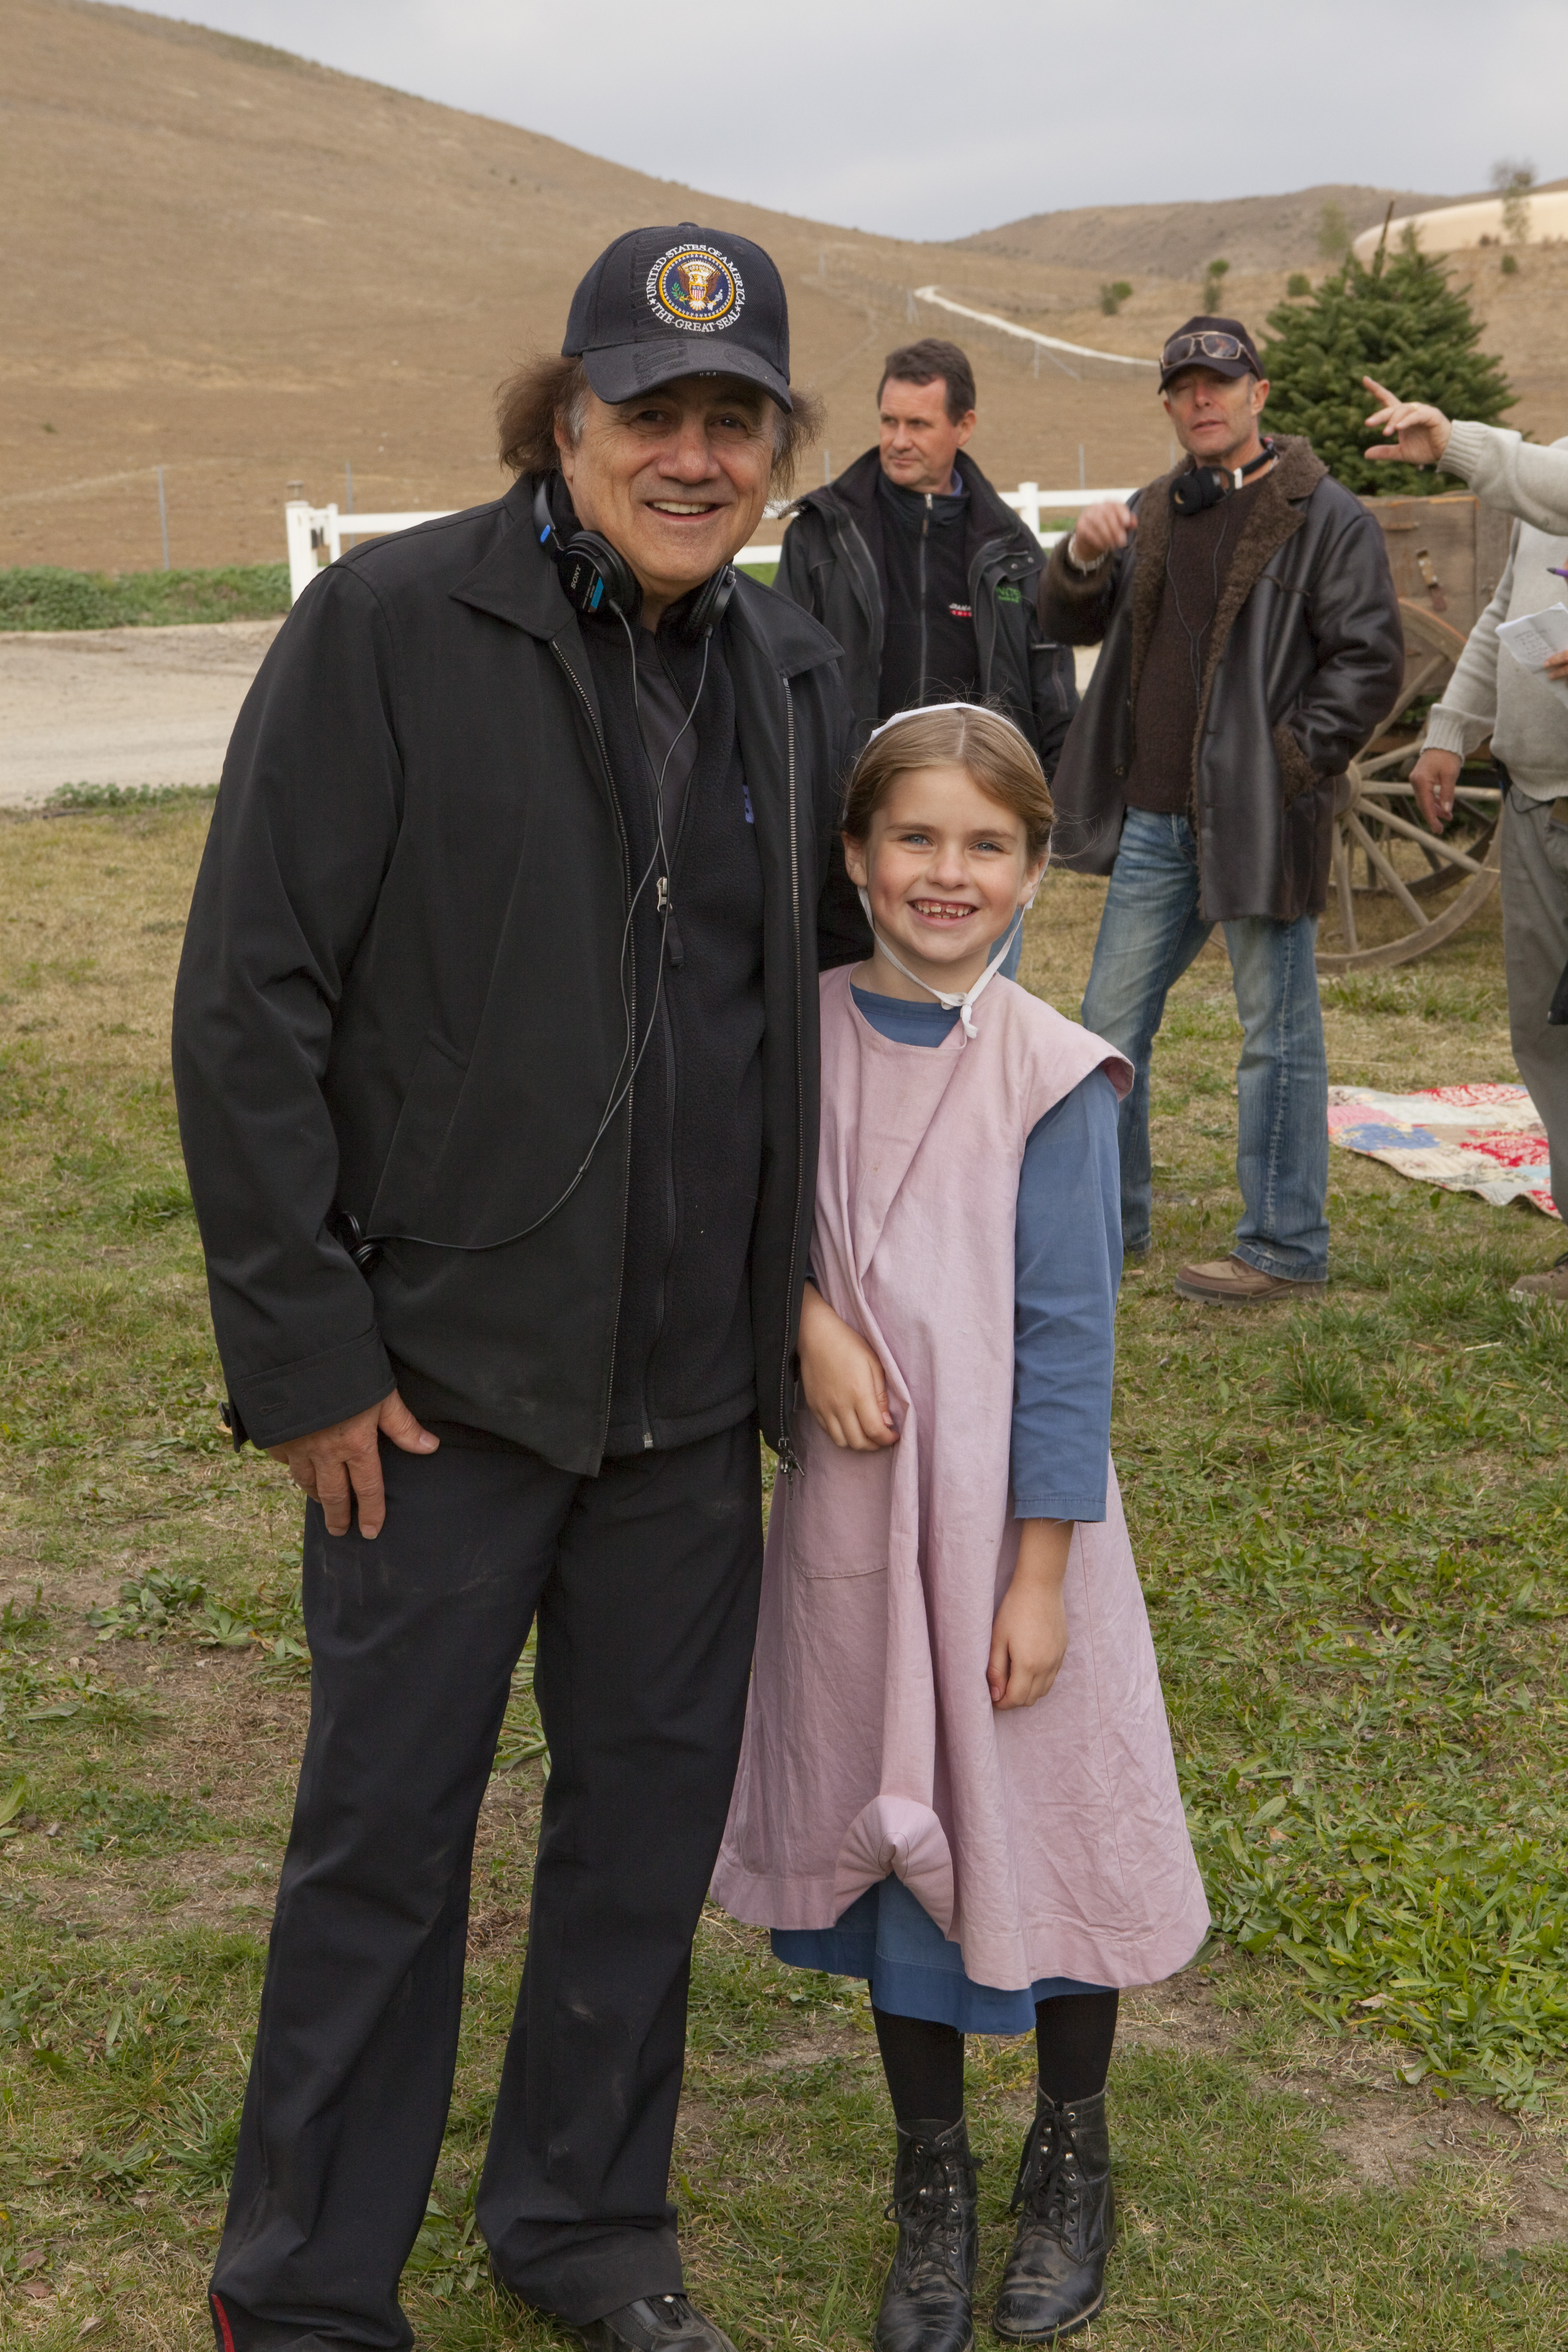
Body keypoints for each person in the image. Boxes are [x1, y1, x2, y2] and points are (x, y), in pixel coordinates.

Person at [173, 222, 868, 2352]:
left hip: (678, 1404)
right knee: (382, 1845)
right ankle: (302, 2288)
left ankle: (579, 2220)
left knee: (634, 1842)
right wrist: (304, 1350)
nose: (685, 453)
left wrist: (808, 1301)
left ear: (772, 449)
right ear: (561, 418)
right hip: (435, 1393)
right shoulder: (388, 626)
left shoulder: (782, 667)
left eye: (725, 418)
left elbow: (804, 1010)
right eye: (642, 412)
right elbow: (248, 1004)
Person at [712, 705, 1209, 2352]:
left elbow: (1070, 1343)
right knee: (884, 1825)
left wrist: (1046, 1571)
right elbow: (740, 1221)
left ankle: (1071, 2153)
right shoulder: (800, 1034)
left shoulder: (1057, 1078)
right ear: (854, 857)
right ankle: (932, 2181)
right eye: (913, 839)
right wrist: (807, 1320)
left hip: (1011, 1543)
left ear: (1033, 870)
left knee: (1044, 1825)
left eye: (983, 845)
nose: (946, 873)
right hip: (861, 1530)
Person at [1040, 315, 1404, 1303]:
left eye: (1217, 381)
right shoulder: (1151, 510)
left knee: (1272, 1033)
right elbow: (1063, 617)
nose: (1200, 398)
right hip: (1154, 817)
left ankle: (1282, 1248)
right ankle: (1104, 1226)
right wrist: (1077, 556)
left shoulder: (1324, 517)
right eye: (1181, 386)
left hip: (1254, 811)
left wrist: (1288, 762)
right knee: (1103, 1029)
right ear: (1166, 404)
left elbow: (1369, 661)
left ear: (1258, 393)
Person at [1398, 432, 1568, 1297]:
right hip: (1538, 800)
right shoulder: (1550, 483)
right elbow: (1503, 616)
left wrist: (1449, 440)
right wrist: (1448, 729)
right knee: (1544, 1026)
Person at [774, 337, 1077, 769]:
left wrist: (1049, 815)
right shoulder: (821, 536)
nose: (898, 441)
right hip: (855, 803)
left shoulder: (1014, 552)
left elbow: (1055, 699)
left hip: (981, 803)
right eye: (889, 421)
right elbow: (780, 680)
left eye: (918, 424)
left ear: (965, 426)